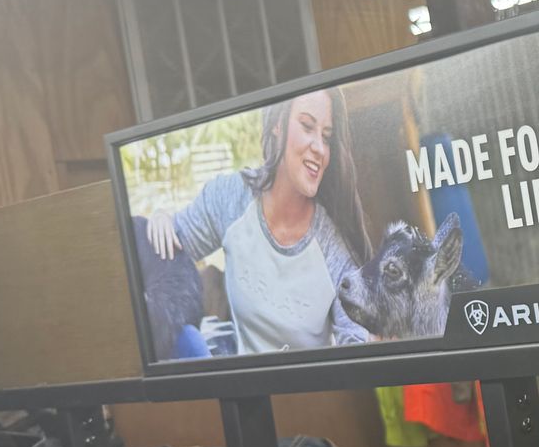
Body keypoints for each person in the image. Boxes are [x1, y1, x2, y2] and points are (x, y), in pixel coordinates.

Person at [147, 89, 373, 355]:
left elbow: (357, 343)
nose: (319, 148)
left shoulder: (335, 249)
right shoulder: (231, 198)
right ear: (277, 125)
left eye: (326, 137)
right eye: (307, 126)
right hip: (240, 388)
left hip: (307, 393)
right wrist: (161, 217)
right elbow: (164, 259)